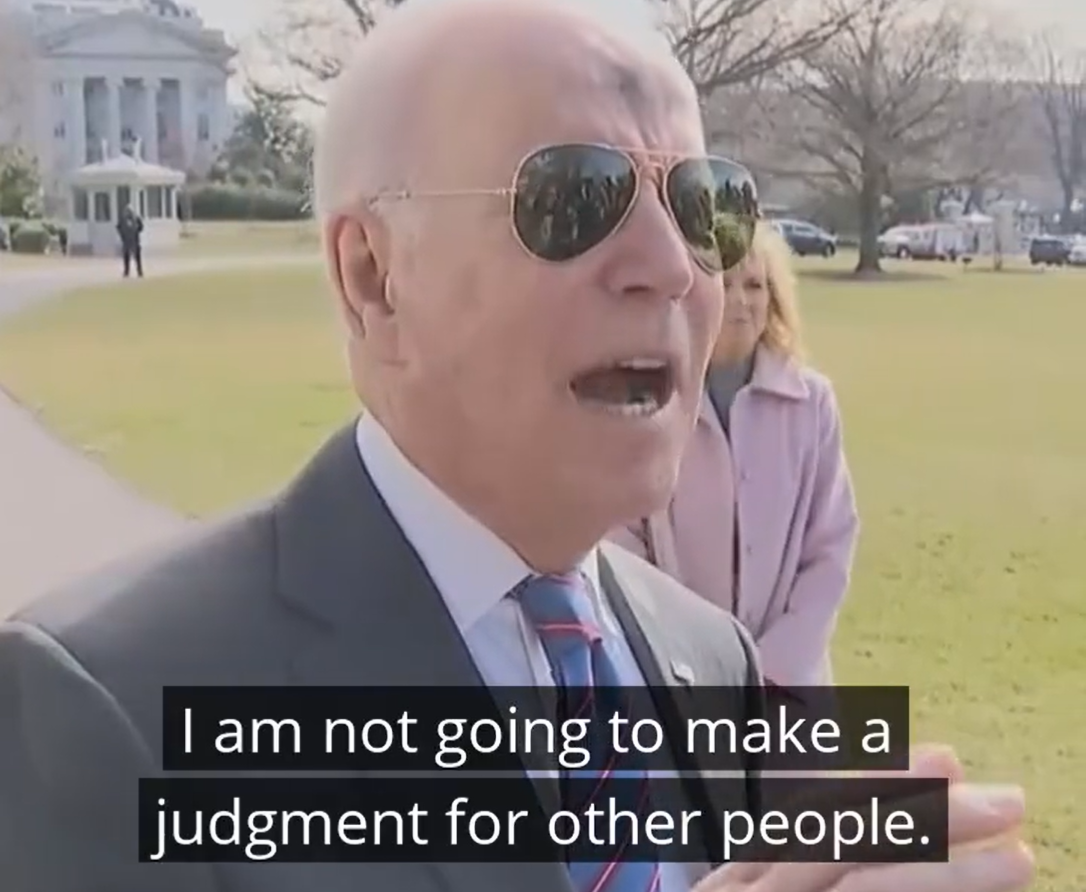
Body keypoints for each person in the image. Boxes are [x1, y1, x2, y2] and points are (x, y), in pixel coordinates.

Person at [0, 2, 1031, 892]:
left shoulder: (711, 654)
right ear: (373, 277)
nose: (673, 267)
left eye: (703, 207)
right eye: (575, 199)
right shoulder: (108, 708)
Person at [610, 222, 858, 689]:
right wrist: (690, 664)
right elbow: (622, 543)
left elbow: (830, 548)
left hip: (789, 690)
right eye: (725, 283)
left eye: (755, 285)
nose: (742, 300)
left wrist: (773, 670)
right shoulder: (647, 400)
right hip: (678, 682)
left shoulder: (812, 403)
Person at [117, 203, 144, 277]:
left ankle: (139, 271)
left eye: (129, 211)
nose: (128, 212)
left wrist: (136, 231)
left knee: (137, 256)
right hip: (126, 240)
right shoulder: (123, 219)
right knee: (126, 256)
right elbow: (118, 227)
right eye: (127, 211)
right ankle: (126, 271)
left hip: (135, 240)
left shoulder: (136, 218)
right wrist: (122, 235)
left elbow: (141, 227)